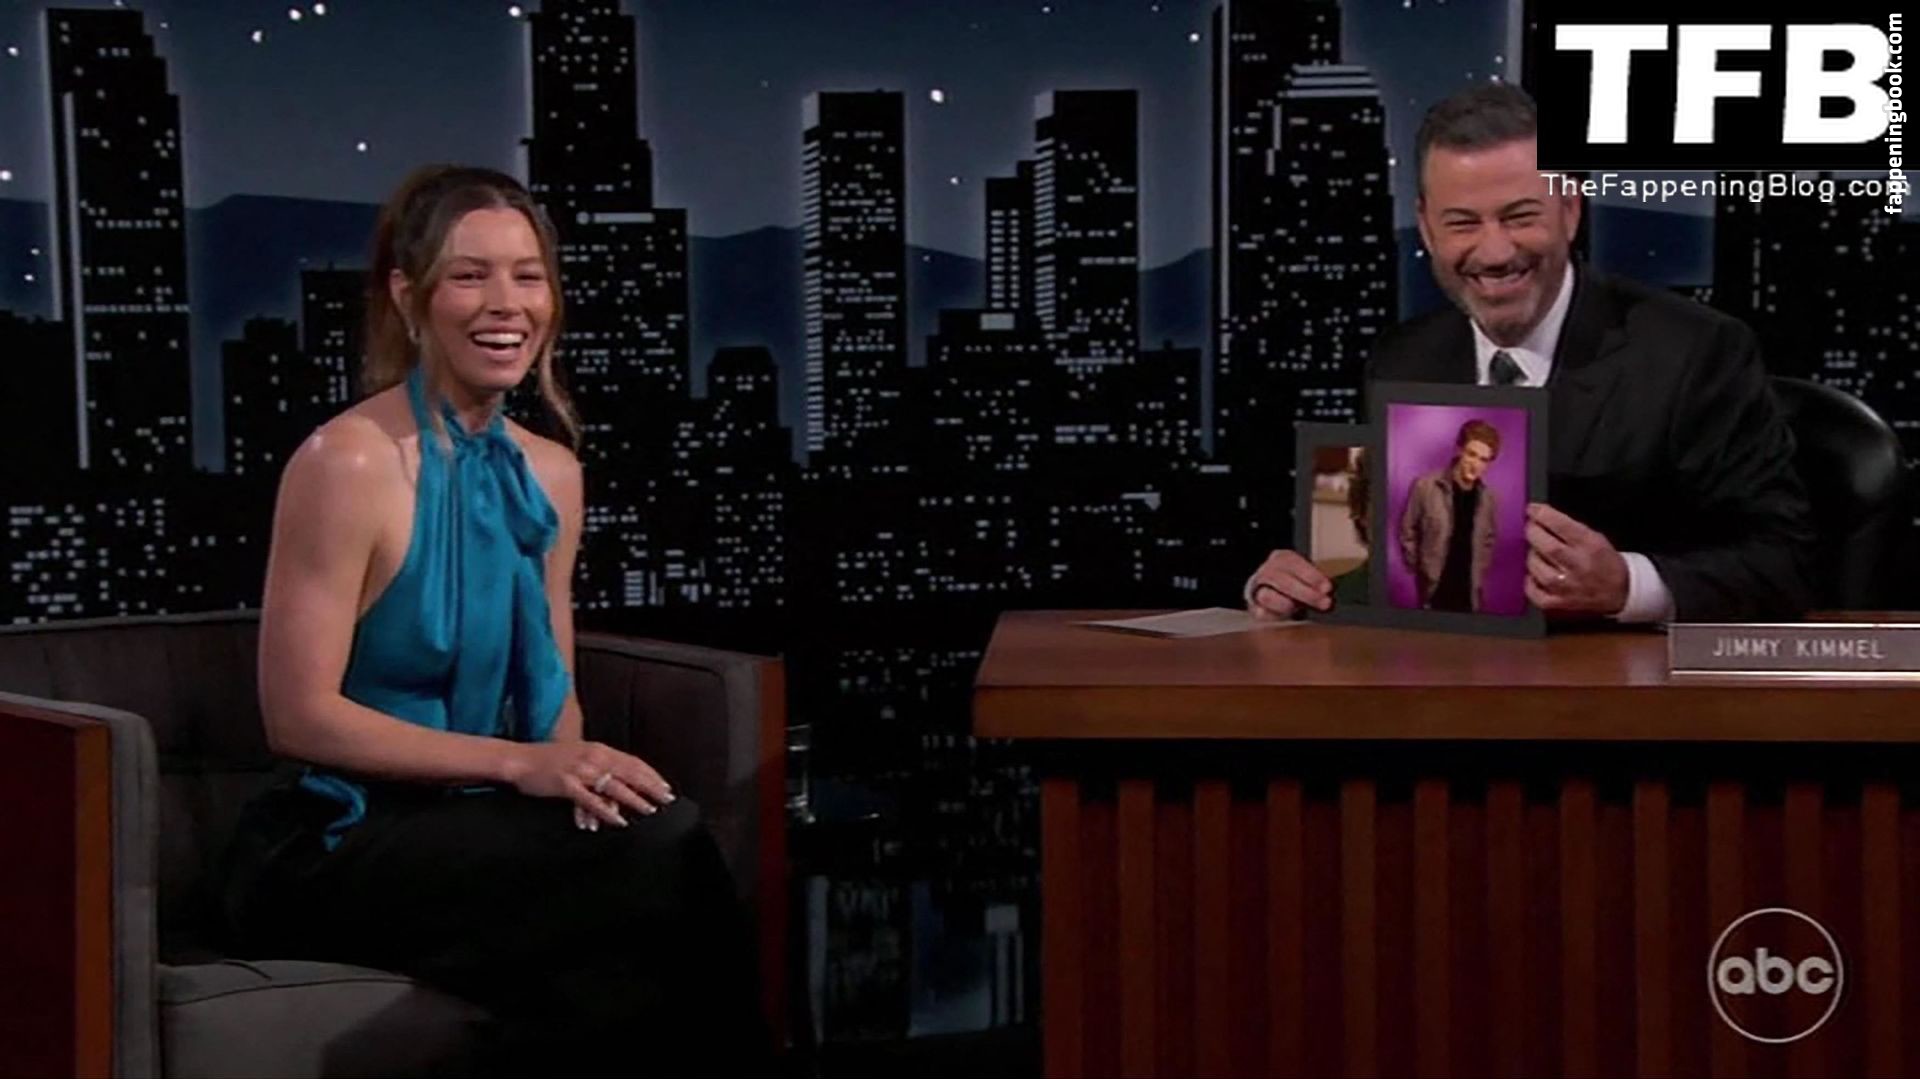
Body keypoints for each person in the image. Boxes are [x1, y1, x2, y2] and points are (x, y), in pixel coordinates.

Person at [219, 165, 768, 1075]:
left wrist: (576, 780)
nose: (506, 303)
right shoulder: (348, 462)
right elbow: (299, 718)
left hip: (483, 826)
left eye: (528, 275)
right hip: (337, 840)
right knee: (662, 862)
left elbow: (551, 687)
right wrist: (521, 765)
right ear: (409, 296)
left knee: (639, 876)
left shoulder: (552, 472)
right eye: (470, 275)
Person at [1248, 83, 1813, 625]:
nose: (1494, 252)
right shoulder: (1402, 359)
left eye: (1520, 217)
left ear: (1569, 210)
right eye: (1462, 223)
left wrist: (1627, 585)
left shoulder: (1693, 352)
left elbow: (1785, 560)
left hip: (1622, 679)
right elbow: (1382, 549)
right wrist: (1301, 585)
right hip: (1442, 677)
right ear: (1425, 226)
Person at [1398, 420, 1500, 612]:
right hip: (1434, 591)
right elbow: (1407, 530)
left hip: (1469, 595)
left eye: (1483, 460)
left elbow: (1489, 539)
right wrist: (1422, 569)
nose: (1476, 464)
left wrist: (1479, 572)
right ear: (1459, 450)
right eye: (1471, 454)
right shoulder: (1425, 487)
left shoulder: (1489, 499)